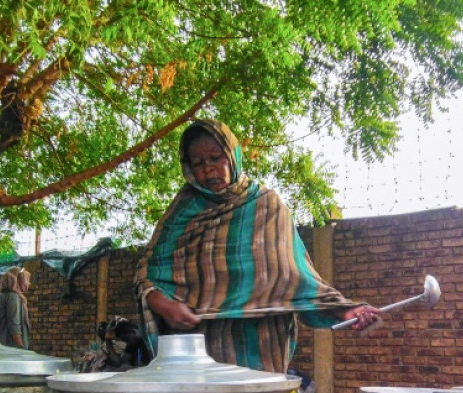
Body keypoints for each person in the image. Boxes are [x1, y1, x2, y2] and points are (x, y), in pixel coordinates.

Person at [134, 119, 381, 373]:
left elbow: (297, 277)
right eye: (198, 164)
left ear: (232, 157)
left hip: (258, 349)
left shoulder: (267, 206)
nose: (208, 170)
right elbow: (147, 273)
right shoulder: (181, 214)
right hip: (195, 354)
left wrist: (343, 310)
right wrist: (165, 305)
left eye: (216, 158)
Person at [0, 266, 32, 349]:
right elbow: (14, 324)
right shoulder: (13, 297)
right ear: (20, 280)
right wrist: (20, 346)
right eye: (27, 280)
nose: (29, 283)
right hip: (10, 345)